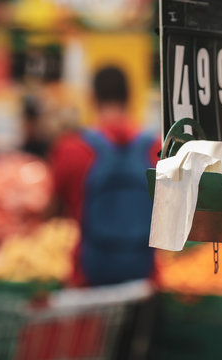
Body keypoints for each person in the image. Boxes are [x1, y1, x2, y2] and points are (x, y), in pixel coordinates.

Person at [49, 66, 160, 287]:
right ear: (130, 97)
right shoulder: (156, 148)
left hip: (89, 278)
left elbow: (53, 210)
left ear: (92, 98)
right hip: (144, 279)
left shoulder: (72, 149)